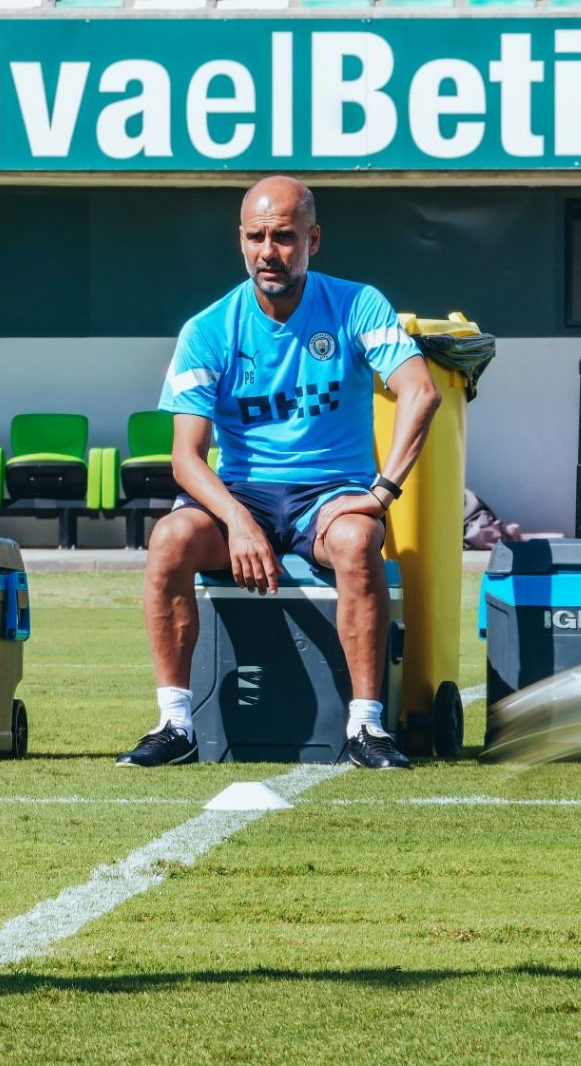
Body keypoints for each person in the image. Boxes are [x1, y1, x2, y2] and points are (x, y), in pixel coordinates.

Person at [119, 176, 440, 771]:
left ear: (312, 239)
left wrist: (381, 493)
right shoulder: (208, 329)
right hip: (245, 492)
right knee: (168, 540)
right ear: (240, 241)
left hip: (333, 491)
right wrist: (238, 523)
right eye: (257, 236)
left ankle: (367, 727)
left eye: (285, 237)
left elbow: (420, 394)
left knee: (356, 537)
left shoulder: (356, 304)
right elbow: (186, 457)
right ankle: (175, 723)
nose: (270, 250)